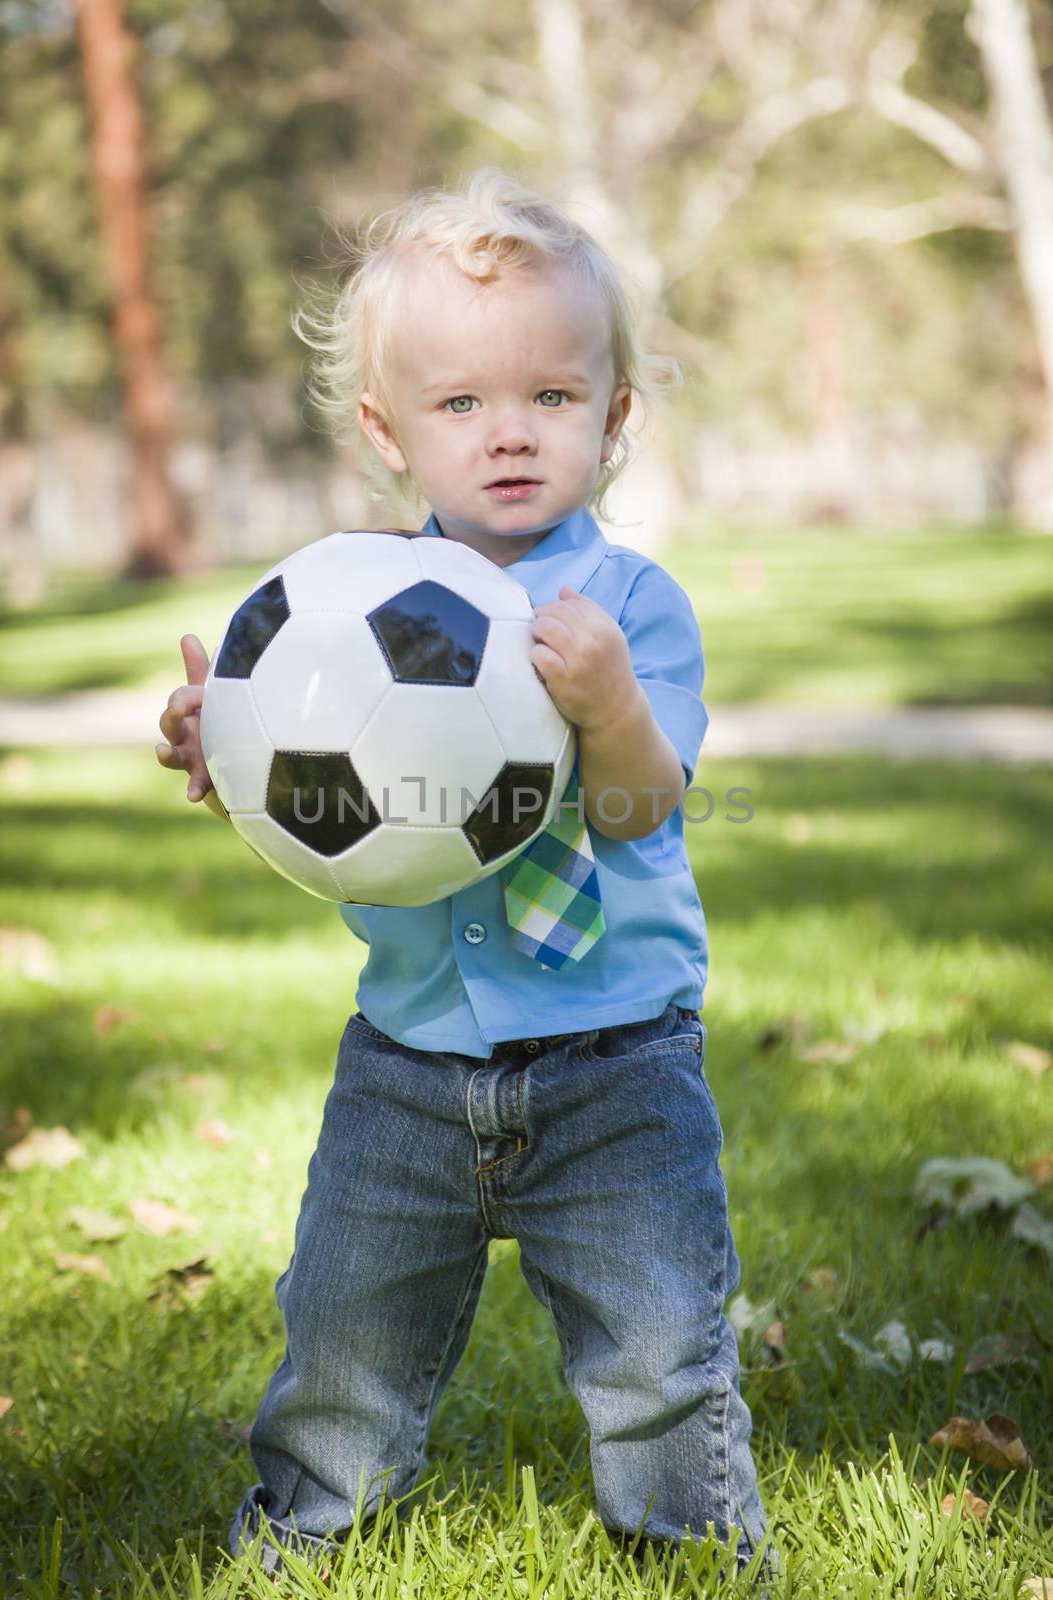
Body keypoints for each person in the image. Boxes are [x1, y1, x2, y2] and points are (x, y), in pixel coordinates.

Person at [155, 167, 775, 1586]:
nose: (510, 434)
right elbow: (316, 793)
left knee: (659, 1339)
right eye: (463, 405)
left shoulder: (629, 607)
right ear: (389, 431)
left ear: (614, 419)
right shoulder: (343, 605)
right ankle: (308, 1528)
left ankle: (692, 1543)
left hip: (617, 1064)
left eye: (554, 398)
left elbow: (640, 807)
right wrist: (223, 738)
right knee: (344, 1324)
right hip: (410, 1061)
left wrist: (611, 705)